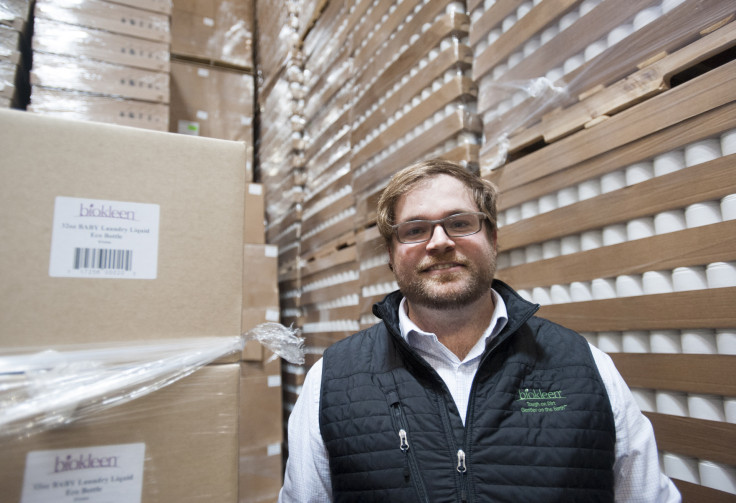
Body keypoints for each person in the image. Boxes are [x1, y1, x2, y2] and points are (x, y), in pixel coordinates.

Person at [279, 159, 680, 502]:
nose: (439, 242)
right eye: (415, 229)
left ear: (492, 238)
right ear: (390, 254)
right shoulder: (330, 383)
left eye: (459, 222)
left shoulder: (587, 368)